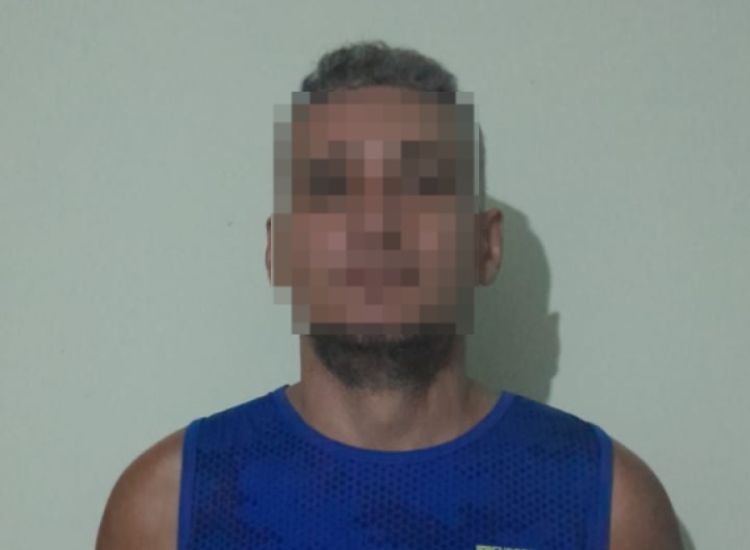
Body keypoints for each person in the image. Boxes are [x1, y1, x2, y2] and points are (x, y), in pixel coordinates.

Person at [96, 41, 682, 550]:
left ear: (484, 246)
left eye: (421, 187)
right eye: (333, 190)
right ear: (281, 251)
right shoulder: (165, 508)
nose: (376, 226)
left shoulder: (607, 504)